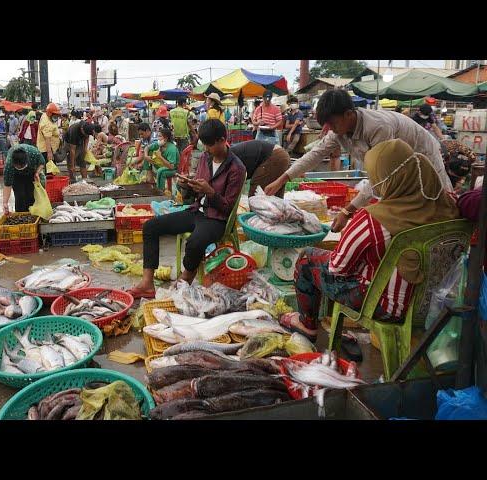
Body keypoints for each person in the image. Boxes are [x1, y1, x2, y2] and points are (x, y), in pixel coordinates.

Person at [280, 139, 460, 342]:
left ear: (387, 179)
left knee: (308, 259)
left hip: (387, 307)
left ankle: (307, 324)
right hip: (437, 305)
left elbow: (338, 267)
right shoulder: (451, 205)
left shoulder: (374, 219)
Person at [263, 89, 454, 232]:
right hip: (396, 170)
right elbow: (315, 154)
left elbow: (381, 178)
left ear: (348, 114)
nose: (330, 129)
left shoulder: (379, 127)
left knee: (437, 203)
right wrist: (282, 179)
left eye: (333, 123)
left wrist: (348, 211)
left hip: (423, 156)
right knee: (399, 208)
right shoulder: (339, 130)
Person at [128, 119, 246, 299]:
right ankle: (147, 283)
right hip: (196, 210)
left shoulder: (237, 168)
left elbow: (227, 207)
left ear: (222, 140)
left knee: (195, 243)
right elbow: (195, 192)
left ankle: (185, 279)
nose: (206, 149)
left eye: (209, 145)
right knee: (150, 227)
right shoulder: (206, 157)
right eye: (204, 144)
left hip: (216, 219)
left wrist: (210, 192)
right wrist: (187, 184)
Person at [2, 143, 46, 214]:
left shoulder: (34, 153)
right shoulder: (9, 165)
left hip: (31, 173)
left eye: (22, 167)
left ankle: (32, 214)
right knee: (20, 196)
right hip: (17, 176)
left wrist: (37, 172)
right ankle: (21, 215)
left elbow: (42, 163)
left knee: (31, 195)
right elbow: (7, 184)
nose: (21, 169)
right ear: (13, 164)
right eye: (18, 167)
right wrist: (5, 203)